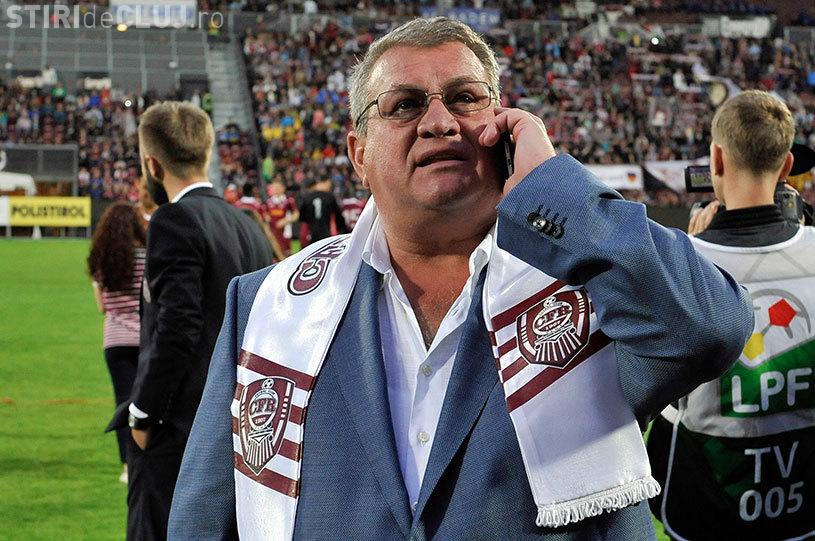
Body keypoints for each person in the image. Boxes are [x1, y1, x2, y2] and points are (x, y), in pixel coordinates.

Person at [169, 18, 752, 540]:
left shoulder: (589, 285)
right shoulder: (267, 307)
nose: (440, 122)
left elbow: (710, 327)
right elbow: (202, 522)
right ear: (358, 153)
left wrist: (554, 188)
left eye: (465, 98)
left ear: (504, 126)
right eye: (404, 105)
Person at [647, 90, 815, 540]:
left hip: (704, 509)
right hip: (803, 508)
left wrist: (691, 250)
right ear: (786, 167)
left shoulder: (676, 264)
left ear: (717, 159)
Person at [106, 101, 274, 541]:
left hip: (178, 431)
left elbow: (177, 326)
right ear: (206, 152)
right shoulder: (247, 225)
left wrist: (142, 414)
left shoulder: (174, 219)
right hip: (237, 430)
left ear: (151, 165)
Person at [87, 202, 146, 485]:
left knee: (122, 400)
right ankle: (147, 457)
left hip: (115, 340)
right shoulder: (146, 258)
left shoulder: (102, 261)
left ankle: (127, 464)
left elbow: (102, 307)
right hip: (145, 339)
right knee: (146, 400)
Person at [297, 176, 347, 246]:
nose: (329, 187)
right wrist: (343, 231)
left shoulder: (307, 198)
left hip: (311, 236)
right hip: (327, 235)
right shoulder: (329, 197)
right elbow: (338, 217)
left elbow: (302, 218)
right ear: (324, 183)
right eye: (329, 184)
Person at [264, 178, 299, 256]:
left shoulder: (288, 200)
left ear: (283, 188)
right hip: (273, 233)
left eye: (277, 187)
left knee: (288, 254)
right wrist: (267, 218)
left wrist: (285, 220)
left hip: (285, 231)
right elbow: (266, 215)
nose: (275, 189)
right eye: (274, 187)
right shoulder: (269, 202)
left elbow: (296, 214)